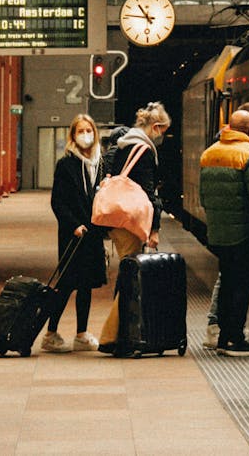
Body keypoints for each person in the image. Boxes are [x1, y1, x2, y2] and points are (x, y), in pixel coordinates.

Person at [199, 109, 249, 356]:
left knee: (227, 283)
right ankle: (236, 338)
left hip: (218, 232)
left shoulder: (209, 153)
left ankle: (224, 337)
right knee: (242, 285)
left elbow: (204, 196)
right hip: (244, 232)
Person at [97, 101, 171, 354]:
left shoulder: (123, 145)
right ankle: (115, 338)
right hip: (131, 221)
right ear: (156, 126)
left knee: (126, 274)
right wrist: (154, 229)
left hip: (117, 218)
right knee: (131, 278)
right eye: (163, 130)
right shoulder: (144, 149)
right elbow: (149, 193)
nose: (163, 136)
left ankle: (118, 336)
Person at [41, 114, 108, 353]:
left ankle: (82, 333)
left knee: (87, 284)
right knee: (67, 283)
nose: (85, 135)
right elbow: (58, 202)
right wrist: (73, 225)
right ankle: (50, 332)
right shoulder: (66, 164)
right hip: (74, 235)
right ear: (73, 135)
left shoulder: (101, 164)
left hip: (93, 234)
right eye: (80, 130)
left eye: (89, 130)